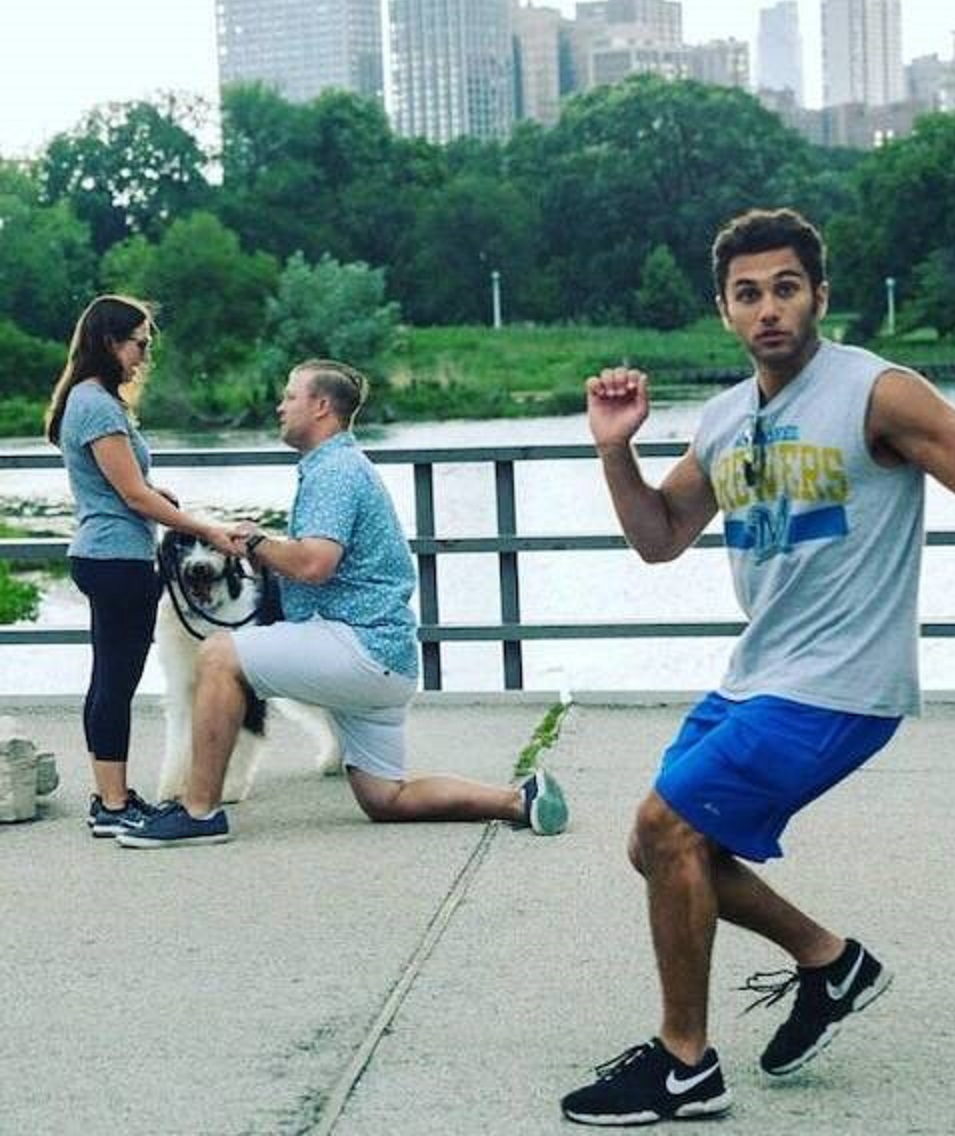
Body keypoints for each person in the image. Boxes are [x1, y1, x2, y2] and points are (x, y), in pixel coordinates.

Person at [560, 208, 955, 1126]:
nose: (769, 310)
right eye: (748, 294)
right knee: (656, 849)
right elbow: (659, 538)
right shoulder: (726, 420)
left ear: (820, 296)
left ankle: (684, 1065)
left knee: (669, 824)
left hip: (842, 681)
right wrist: (616, 452)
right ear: (724, 310)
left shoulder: (879, 395)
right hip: (756, 676)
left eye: (786, 289)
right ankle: (829, 962)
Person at [118, 359, 568, 848]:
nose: (280, 405)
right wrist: (268, 549)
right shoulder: (344, 466)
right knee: (385, 798)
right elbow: (317, 563)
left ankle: (197, 812)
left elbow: (314, 564)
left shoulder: (333, 470)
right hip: (387, 661)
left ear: (322, 406)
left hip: (354, 646)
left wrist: (252, 543)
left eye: (290, 396)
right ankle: (520, 799)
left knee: (219, 654)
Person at [46, 294, 239, 838]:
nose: (143, 356)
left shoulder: (86, 400)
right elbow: (130, 497)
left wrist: (156, 493)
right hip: (117, 557)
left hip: (103, 551)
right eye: (138, 344)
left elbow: (122, 486)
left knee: (107, 679)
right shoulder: (99, 405)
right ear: (109, 342)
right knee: (116, 682)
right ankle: (113, 803)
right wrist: (202, 527)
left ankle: (110, 795)